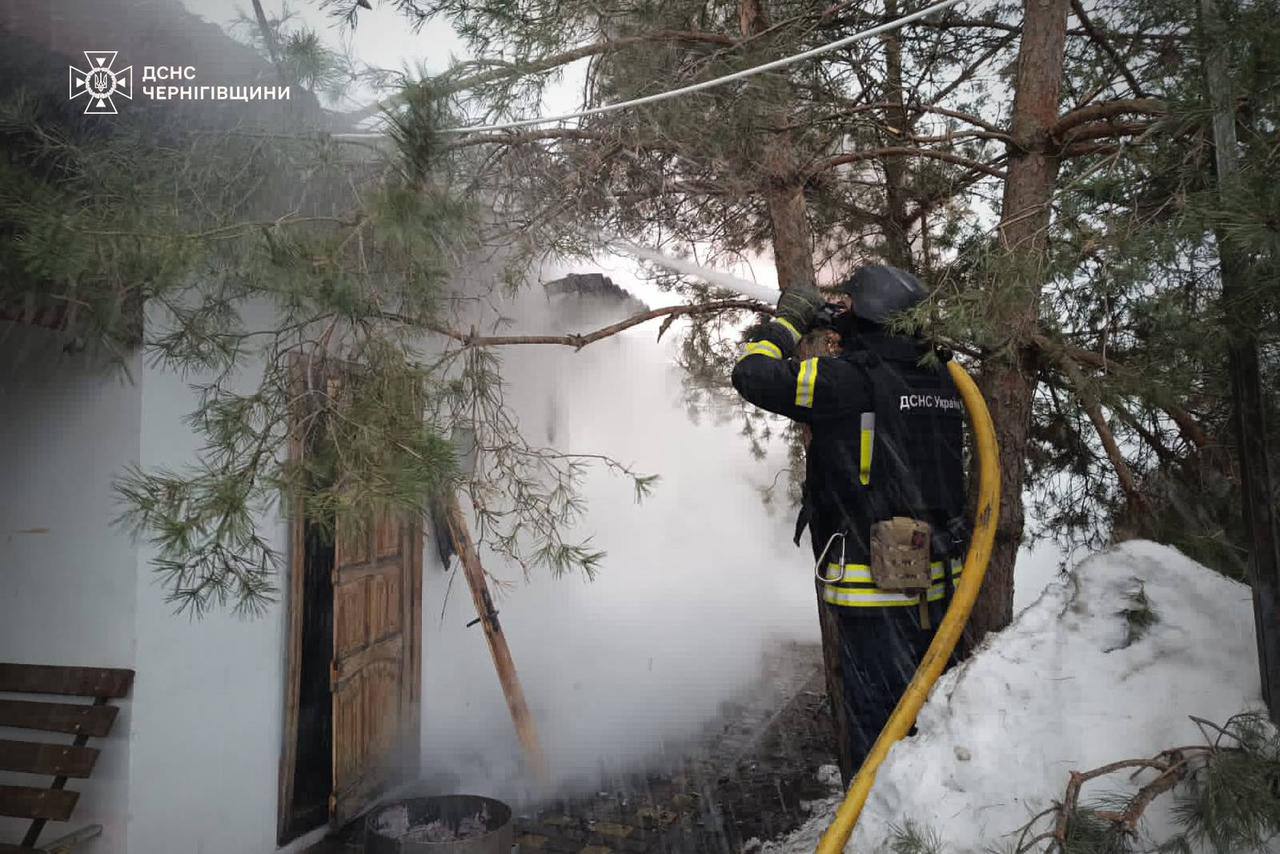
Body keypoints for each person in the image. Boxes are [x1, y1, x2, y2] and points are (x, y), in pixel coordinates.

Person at [731, 265, 968, 784]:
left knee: (878, 729)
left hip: (874, 589)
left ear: (868, 316)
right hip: (941, 585)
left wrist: (787, 325)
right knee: (927, 717)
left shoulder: (850, 380)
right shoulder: (941, 378)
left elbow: (752, 375)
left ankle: (871, 828)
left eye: (850, 305)